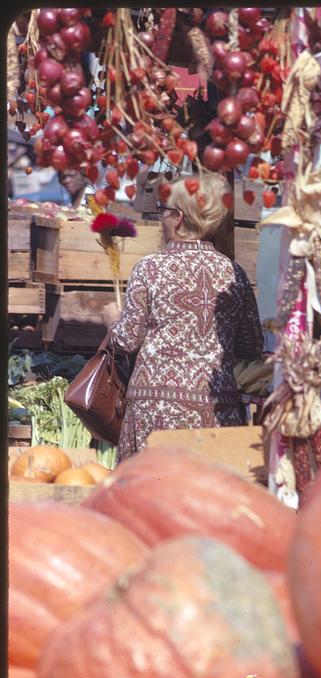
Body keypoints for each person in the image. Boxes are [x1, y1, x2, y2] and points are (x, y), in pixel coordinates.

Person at [106, 171, 263, 461]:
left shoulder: (150, 268)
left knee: (147, 496)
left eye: (163, 211)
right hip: (216, 411)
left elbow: (127, 341)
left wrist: (112, 321)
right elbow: (251, 346)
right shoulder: (234, 274)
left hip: (155, 413)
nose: (160, 218)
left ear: (177, 217)